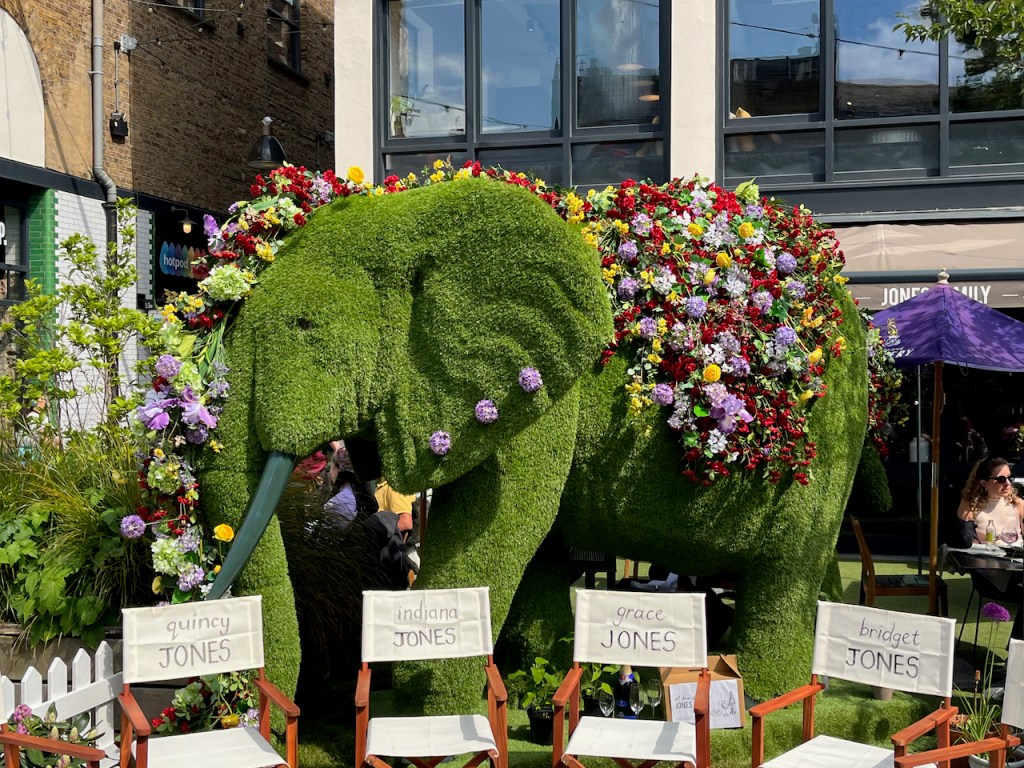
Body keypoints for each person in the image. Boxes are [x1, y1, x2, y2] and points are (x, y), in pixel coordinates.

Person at [956, 456, 1024, 546]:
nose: (1007, 483)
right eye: (1001, 479)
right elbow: (963, 540)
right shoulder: (970, 505)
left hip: (1013, 556)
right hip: (982, 556)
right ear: (984, 483)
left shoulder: (1018, 504)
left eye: (1010, 477)